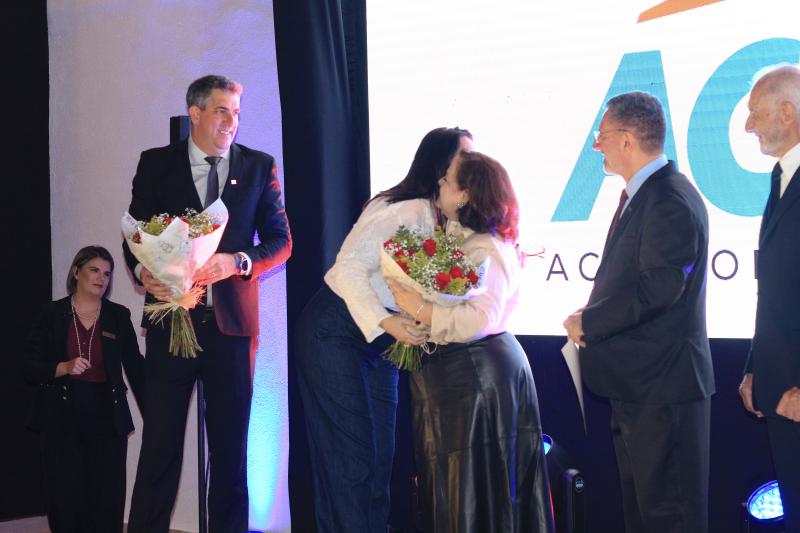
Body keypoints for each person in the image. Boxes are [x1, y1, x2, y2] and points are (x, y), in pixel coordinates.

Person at [123, 74, 292, 533]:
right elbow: (134, 233)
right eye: (221, 111)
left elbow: (281, 241)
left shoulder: (258, 166)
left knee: (231, 452)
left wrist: (237, 262)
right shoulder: (156, 164)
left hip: (232, 329)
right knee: (159, 449)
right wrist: (143, 272)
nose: (231, 122)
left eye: (236, 113)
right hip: (170, 322)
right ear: (195, 113)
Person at [295, 127, 473, 532]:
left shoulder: (443, 219)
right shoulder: (404, 211)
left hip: (381, 343)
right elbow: (347, 268)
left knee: (378, 463)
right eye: (465, 159)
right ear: (440, 168)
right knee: (351, 462)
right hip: (336, 331)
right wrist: (388, 319)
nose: (472, 168)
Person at [563, 91, 714, 533]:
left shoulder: (668, 198)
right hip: (641, 387)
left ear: (627, 139)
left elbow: (660, 288)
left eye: (603, 136)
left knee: (669, 518)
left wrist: (590, 321)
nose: (597, 146)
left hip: (663, 390)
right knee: (646, 517)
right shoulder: (647, 193)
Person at [388, 151, 555, 533]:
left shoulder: (487, 246)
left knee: (476, 496)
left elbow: (482, 318)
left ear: (465, 195)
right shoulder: (457, 237)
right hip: (458, 378)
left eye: (447, 180)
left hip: (478, 378)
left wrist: (420, 309)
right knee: (456, 494)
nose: (440, 185)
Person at [24, 245, 145, 533]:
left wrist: (160, 409)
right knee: (65, 497)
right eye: (94, 270)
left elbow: (136, 368)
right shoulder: (51, 313)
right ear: (77, 272)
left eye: (107, 273)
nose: (102, 278)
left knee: (107, 498)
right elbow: (29, 367)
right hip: (61, 417)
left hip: (108, 418)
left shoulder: (118, 315)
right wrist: (62, 367)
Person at [739, 65, 800, 533]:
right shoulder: (781, 178)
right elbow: (775, 290)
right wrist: (754, 367)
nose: (747, 126)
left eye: (755, 113)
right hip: (780, 390)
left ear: (787, 111)